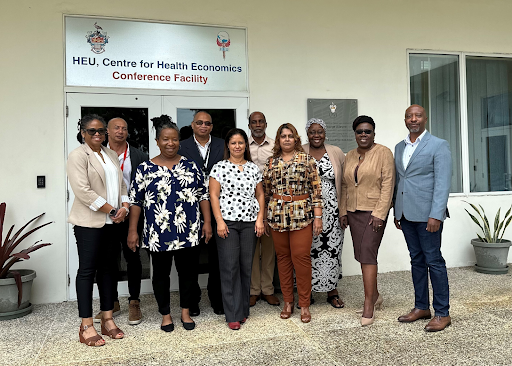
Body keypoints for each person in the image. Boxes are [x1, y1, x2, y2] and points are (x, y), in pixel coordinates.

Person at [127, 115, 212, 332]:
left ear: (179, 141)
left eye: (174, 139)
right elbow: (136, 202)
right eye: (165, 139)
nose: (170, 143)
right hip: (158, 233)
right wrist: (132, 231)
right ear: (157, 141)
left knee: (188, 274)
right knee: (161, 276)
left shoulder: (191, 166)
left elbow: (203, 196)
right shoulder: (145, 168)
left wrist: (207, 222)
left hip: (189, 231)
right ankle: (165, 314)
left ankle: (185, 312)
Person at [67, 114, 129, 347]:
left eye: (101, 131)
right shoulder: (77, 155)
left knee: (108, 270)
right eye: (92, 131)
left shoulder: (110, 154)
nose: (97, 135)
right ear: (83, 132)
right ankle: (86, 325)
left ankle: (107, 319)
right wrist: (112, 210)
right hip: (89, 224)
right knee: (87, 272)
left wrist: (124, 206)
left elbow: (122, 184)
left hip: (112, 223)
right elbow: (83, 191)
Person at [394, 105, 452, 332]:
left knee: (433, 261)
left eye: (418, 115)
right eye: (409, 116)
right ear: (405, 120)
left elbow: (443, 183)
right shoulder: (400, 147)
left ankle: (442, 312)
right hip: (406, 214)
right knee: (416, 260)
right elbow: (401, 180)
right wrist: (396, 211)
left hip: (429, 216)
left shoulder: (439, 145)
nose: (413, 119)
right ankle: (421, 307)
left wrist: (436, 214)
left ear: (425, 118)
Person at [263, 123, 323, 323]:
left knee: (301, 259)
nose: (287, 139)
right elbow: (266, 191)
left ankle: (304, 304)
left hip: (302, 215)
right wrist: (264, 217)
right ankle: (288, 301)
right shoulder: (271, 162)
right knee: (283, 259)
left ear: (296, 139)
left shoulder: (306, 160)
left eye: (290, 136)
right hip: (277, 215)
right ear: (278, 140)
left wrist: (318, 217)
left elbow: (316, 190)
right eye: (283, 136)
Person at [340, 115, 395, 326]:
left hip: (374, 213)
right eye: (359, 132)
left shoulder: (383, 153)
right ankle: (376, 294)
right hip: (353, 212)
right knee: (360, 254)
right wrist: (343, 211)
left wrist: (380, 214)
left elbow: (388, 185)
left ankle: (368, 303)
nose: (363, 135)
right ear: (354, 134)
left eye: (367, 131)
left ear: (374, 133)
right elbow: (345, 185)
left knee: (368, 254)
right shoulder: (350, 155)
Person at [92, 117, 148, 326]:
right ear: (107, 131)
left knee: (132, 257)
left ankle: (134, 301)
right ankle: (111, 302)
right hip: (105, 213)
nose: (120, 131)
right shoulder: (98, 154)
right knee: (107, 260)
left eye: (124, 128)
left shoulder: (139, 156)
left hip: (131, 213)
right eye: (116, 127)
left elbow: (142, 189)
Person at [209, 128, 266, 330]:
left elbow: (260, 195)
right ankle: (232, 314)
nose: (237, 146)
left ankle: (243, 310)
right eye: (233, 143)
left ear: (245, 145)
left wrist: (260, 219)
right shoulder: (219, 167)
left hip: (250, 223)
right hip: (228, 224)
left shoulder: (252, 168)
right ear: (228, 146)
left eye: (241, 142)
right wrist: (219, 221)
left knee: (245, 267)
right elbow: (213, 196)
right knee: (229, 268)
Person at [178, 111, 225, 315]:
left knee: (217, 256)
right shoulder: (181, 146)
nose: (203, 126)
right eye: (199, 123)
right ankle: (192, 299)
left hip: (220, 206)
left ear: (212, 127)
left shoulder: (223, 145)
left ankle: (217, 297)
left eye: (207, 123)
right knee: (191, 258)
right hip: (189, 209)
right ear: (193, 125)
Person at [302, 118, 346, 308]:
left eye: (320, 131)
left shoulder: (335, 151)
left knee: (332, 250)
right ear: (307, 134)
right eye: (312, 132)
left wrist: (343, 210)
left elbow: (344, 183)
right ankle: (307, 291)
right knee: (307, 250)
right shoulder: (300, 151)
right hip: (307, 210)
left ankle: (332, 291)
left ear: (325, 133)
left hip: (333, 210)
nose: (316, 135)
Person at [247, 112, 280, 307]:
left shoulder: (275, 145)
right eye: (254, 122)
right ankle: (253, 290)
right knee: (251, 248)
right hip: (247, 203)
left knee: (268, 248)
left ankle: (267, 289)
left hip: (270, 202)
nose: (257, 125)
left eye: (261, 121)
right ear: (249, 124)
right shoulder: (242, 144)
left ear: (266, 124)